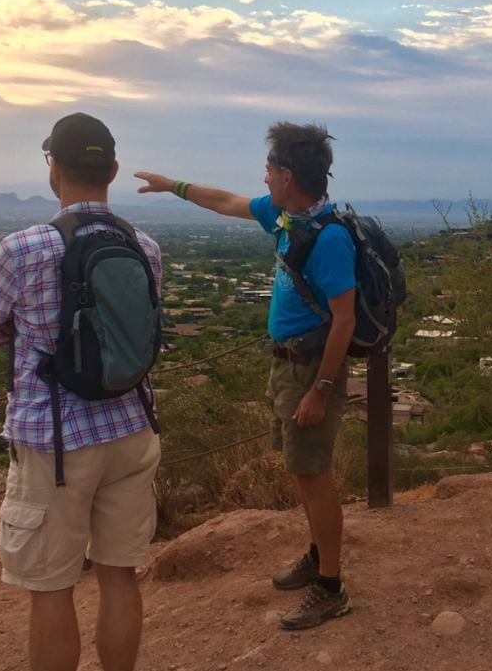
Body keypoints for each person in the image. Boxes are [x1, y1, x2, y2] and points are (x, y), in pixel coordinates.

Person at [0, 113, 162, 671]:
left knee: (52, 591)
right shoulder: (143, 245)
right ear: (113, 171)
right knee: (119, 577)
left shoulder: (22, 248)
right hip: (131, 431)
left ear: (51, 167)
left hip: (55, 444)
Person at [136, 121, 356, 631]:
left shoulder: (329, 239)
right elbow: (227, 202)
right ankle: (317, 556)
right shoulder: (289, 218)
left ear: (287, 175)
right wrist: (175, 187)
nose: (263, 178)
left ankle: (332, 587)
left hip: (310, 371)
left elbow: (344, 320)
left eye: (269, 169)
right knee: (302, 473)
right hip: (289, 367)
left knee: (316, 477)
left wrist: (321, 390)